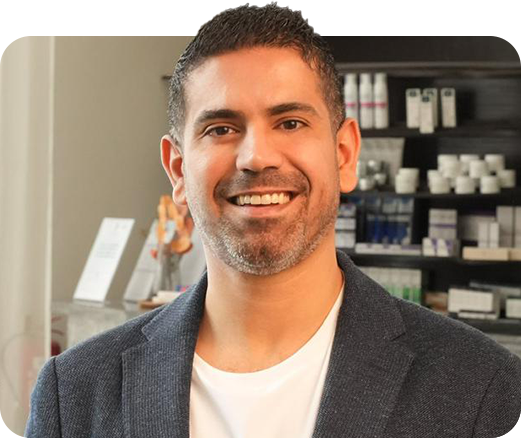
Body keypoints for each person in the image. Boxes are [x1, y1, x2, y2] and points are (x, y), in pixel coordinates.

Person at [25, 5, 521, 438]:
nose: (256, 157)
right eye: (221, 128)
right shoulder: (75, 396)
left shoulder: (481, 388)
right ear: (177, 169)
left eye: (290, 123)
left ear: (345, 154)